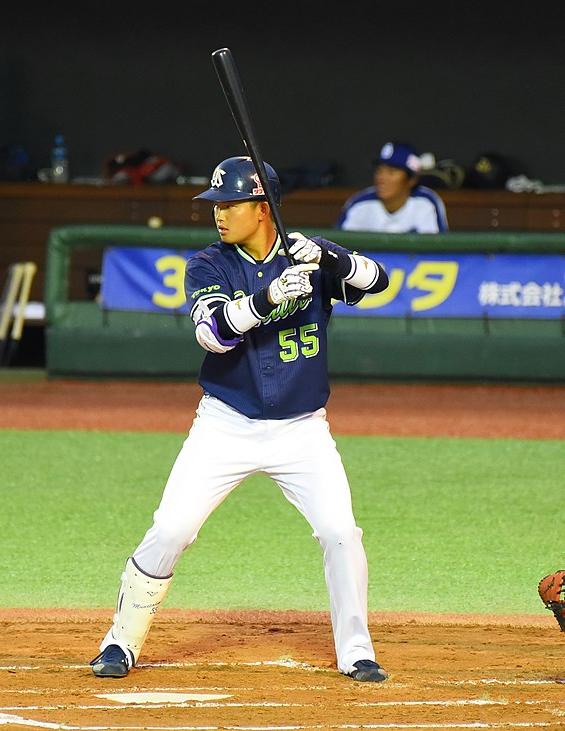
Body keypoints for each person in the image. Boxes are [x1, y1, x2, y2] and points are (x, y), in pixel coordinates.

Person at [89, 155, 390, 683]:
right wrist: (268, 298)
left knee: (341, 531)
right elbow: (213, 333)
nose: (218, 215)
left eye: (229, 204)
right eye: (216, 206)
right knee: (172, 529)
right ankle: (120, 642)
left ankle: (357, 651)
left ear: (263, 207)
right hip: (226, 423)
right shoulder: (210, 264)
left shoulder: (310, 256)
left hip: (302, 430)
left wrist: (330, 257)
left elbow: (378, 281)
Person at [337, 141, 448, 233]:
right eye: (379, 171)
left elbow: (438, 256)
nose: (381, 178)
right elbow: (337, 253)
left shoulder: (427, 203)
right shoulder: (359, 204)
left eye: (391, 172)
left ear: (411, 180)